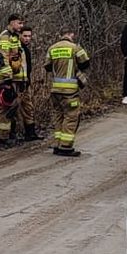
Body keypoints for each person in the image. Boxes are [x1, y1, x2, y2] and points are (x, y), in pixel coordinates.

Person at [46, 27, 91, 158]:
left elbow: (47, 67)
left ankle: (57, 144)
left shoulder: (51, 48)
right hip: (70, 91)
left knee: (58, 116)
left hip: (55, 90)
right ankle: (65, 147)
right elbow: (85, 63)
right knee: (71, 117)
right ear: (71, 34)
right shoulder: (75, 48)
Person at [0, 12, 26, 142]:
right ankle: (1, 136)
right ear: (12, 22)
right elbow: (2, 58)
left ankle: (10, 133)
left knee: (13, 106)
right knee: (5, 107)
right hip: (7, 79)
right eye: (19, 23)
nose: (21, 26)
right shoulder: (5, 37)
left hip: (15, 78)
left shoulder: (14, 37)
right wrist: (7, 78)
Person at [17, 25, 41, 141]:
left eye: (29, 36)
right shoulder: (17, 48)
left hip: (26, 82)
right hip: (18, 84)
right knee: (14, 109)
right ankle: (10, 135)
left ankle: (30, 133)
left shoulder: (26, 49)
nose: (27, 38)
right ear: (20, 35)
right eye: (25, 36)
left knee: (28, 107)